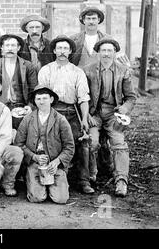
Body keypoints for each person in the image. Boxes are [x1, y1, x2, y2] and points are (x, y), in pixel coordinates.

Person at [38, 35, 94, 194]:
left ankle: (84, 180)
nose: (62, 52)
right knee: (49, 141)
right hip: (52, 111)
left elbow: (83, 98)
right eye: (59, 48)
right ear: (54, 51)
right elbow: (42, 97)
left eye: (65, 49)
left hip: (71, 111)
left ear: (70, 52)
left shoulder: (78, 72)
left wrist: (84, 119)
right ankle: (53, 177)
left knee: (83, 142)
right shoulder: (46, 70)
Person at [83, 39, 137, 197]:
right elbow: (83, 96)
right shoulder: (88, 70)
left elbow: (131, 97)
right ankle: (91, 175)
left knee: (119, 142)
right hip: (95, 114)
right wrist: (87, 115)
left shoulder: (123, 71)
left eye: (109, 51)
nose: (106, 54)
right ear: (98, 53)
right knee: (91, 141)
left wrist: (124, 109)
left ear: (114, 53)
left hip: (114, 114)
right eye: (103, 50)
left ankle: (121, 179)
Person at [14, 85, 75, 204]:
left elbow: (69, 147)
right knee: (37, 198)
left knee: (61, 199)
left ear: (51, 99)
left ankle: (56, 184)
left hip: (54, 165)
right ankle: (30, 178)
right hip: (35, 163)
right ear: (35, 101)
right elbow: (19, 144)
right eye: (38, 99)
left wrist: (57, 162)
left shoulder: (60, 120)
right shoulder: (28, 119)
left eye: (45, 98)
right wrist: (34, 157)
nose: (41, 102)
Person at [0, 34, 38, 129]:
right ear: (2, 48)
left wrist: (30, 106)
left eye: (13, 46)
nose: (10, 49)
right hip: (1, 106)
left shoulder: (28, 66)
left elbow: (34, 89)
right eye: (7, 46)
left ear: (18, 48)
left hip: (21, 106)